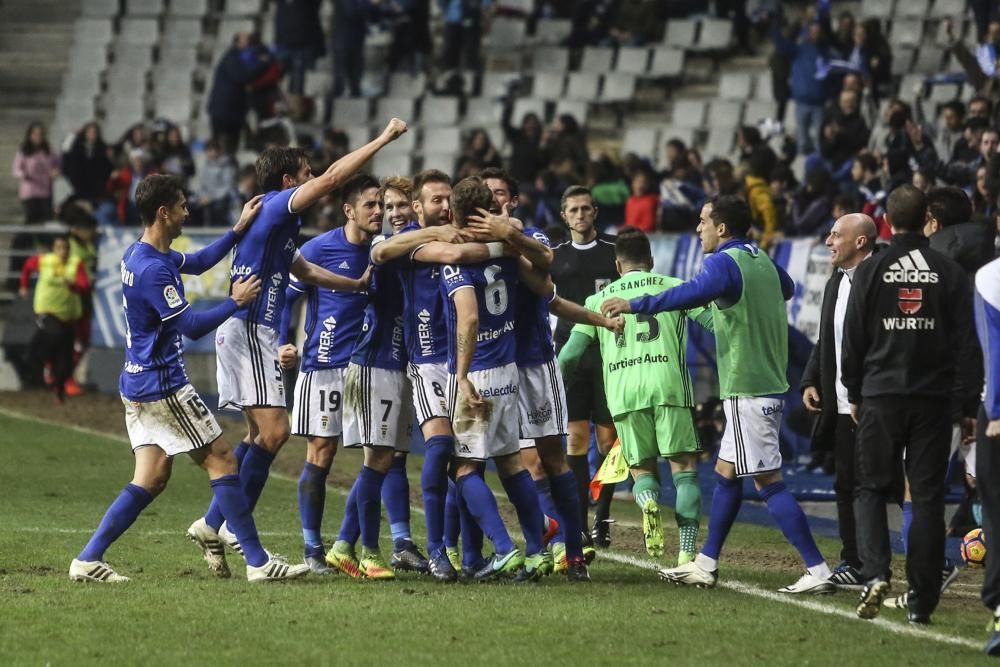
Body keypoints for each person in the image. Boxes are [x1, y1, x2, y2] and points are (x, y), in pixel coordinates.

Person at [188, 120, 408, 568]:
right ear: (289, 181)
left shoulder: (277, 228)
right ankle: (237, 527)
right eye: (305, 173)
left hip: (256, 332)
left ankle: (213, 524)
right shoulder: (275, 206)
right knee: (275, 432)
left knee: (257, 434)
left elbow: (303, 271)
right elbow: (332, 180)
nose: (312, 179)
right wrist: (383, 140)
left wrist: (350, 283)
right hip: (249, 328)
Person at [70, 174, 311, 583]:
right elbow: (191, 326)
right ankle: (257, 562)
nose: (187, 212)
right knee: (222, 459)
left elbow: (198, 263)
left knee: (151, 477)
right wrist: (234, 302)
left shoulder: (141, 254)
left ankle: (87, 559)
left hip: (137, 383)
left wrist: (236, 230)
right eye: (182, 206)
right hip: (163, 386)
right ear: (164, 213)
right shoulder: (152, 270)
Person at [603, 194, 835, 595]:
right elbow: (789, 287)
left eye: (703, 221)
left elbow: (690, 294)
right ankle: (706, 563)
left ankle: (817, 568)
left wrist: (634, 303)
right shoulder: (758, 257)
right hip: (763, 382)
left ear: (721, 228)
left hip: (749, 387)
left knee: (769, 483)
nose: (698, 228)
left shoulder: (722, 262)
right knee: (726, 475)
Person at [842, 185, 982, 623]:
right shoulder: (948, 271)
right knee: (925, 498)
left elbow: (854, 339)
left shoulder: (871, 270)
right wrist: (966, 406)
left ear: (886, 219)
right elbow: (967, 344)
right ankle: (922, 599)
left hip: (881, 395)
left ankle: (875, 575)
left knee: (869, 488)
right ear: (927, 219)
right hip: (934, 400)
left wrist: (855, 392)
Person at [479, 167, 613, 580]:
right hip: (493, 367)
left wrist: (506, 235)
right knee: (513, 464)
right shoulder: (468, 245)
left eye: (500, 194)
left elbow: (545, 273)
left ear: (513, 201)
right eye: (486, 195)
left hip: (536, 364)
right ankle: (539, 545)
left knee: (553, 459)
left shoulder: (533, 238)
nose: (493, 201)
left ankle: (573, 552)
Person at [369, 169, 493, 581]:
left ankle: (472, 555)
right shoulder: (413, 245)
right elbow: (383, 253)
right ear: (420, 209)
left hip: (470, 362)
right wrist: (500, 244)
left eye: (447, 198)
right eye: (434, 200)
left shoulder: (459, 234)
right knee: (436, 449)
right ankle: (435, 549)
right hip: (424, 363)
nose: (443, 205)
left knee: (470, 463)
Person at [559, 228, 708, 567]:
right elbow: (713, 322)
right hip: (668, 385)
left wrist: (555, 386)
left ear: (617, 265)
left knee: (641, 472)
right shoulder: (674, 287)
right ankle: (686, 552)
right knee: (684, 470)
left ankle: (648, 504)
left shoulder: (599, 300)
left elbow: (570, 355)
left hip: (624, 394)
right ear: (651, 261)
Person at [442, 176, 550, 581]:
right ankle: (538, 551)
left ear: (453, 213)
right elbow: (544, 279)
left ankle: (504, 550)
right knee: (511, 463)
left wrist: (463, 375)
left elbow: (468, 316)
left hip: (480, 373)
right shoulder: (506, 250)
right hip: (507, 369)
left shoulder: (456, 258)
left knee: (465, 469)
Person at [275, 173, 377, 575]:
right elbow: (289, 297)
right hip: (325, 365)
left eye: (381, 205)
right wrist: (285, 343)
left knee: (380, 456)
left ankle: (350, 545)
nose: (379, 213)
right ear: (348, 209)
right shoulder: (319, 248)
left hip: (370, 367)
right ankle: (313, 548)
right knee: (322, 453)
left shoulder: (384, 251)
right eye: (371, 205)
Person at [329, 176, 430, 580]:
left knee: (386, 459)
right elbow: (389, 251)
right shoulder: (379, 246)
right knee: (378, 460)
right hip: (374, 365)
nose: (392, 214)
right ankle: (368, 550)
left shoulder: (420, 245)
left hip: (399, 366)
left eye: (400, 206)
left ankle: (343, 545)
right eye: (385, 207)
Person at [801, 213, 877, 589]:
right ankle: (855, 560)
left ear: (860, 242)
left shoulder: (878, 279)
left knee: (887, 486)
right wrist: (812, 379)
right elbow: (825, 338)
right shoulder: (837, 280)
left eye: (835, 235)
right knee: (847, 485)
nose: (828, 241)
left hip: (874, 405)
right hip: (844, 405)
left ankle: (917, 557)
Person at [549, 185, 620, 548]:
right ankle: (576, 521)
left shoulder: (613, 253)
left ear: (595, 212)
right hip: (570, 354)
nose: (580, 215)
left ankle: (602, 516)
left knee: (608, 442)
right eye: (573, 210)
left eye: (586, 209)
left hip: (608, 355)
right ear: (564, 215)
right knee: (576, 439)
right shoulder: (554, 256)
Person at [19, 234, 89, 402]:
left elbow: (84, 285)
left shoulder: (75, 263)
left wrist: (73, 286)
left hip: (68, 316)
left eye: (66, 248)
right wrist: (23, 286)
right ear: (53, 249)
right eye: (59, 248)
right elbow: (27, 266)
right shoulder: (45, 261)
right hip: (47, 312)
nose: (63, 251)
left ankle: (58, 386)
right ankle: (44, 365)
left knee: (66, 355)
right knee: (53, 337)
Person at [974, 252, 1000, 655]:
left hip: (997, 412)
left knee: (996, 510)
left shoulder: (991, 277)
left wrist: (995, 410)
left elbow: (994, 348)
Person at [206, 32, 270, 154]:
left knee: (231, 146)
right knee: (219, 145)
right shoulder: (231, 57)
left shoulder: (244, 57)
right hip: (223, 110)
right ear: (237, 42)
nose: (249, 42)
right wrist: (262, 63)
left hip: (234, 111)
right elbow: (241, 76)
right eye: (245, 39)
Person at [12, 122, 59, 223]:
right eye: (35, 134)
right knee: (32, 221)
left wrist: (56, 171)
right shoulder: (23, 151)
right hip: (30, 192)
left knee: (46, 221)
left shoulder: (49, 151)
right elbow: (16, 169)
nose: (38, 137)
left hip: (45, 192)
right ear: (30, 135)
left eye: (41, 134)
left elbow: (58, 163)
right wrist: (24, 174)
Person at [62, 122, 114, 210]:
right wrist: (72, 135)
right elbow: (66, 155)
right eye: (89, 132)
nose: (92, 135)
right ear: (85, 134)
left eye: (94, 132)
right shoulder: (78, 147)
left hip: (97, 189)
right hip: (80, 187)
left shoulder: (103, 148)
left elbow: (107, 168)